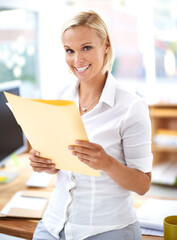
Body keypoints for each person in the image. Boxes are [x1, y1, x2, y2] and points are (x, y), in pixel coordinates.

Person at [29, 10, 153, 240]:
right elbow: (60, 163)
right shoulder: (61, 94)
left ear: (106, 45)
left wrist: (107, 163)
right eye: (70, 51)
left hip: (106, 229)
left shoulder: (131, 106)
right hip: (54, 224)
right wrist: (44, 163)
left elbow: (143, 185)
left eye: (86, 48)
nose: (77, 60)